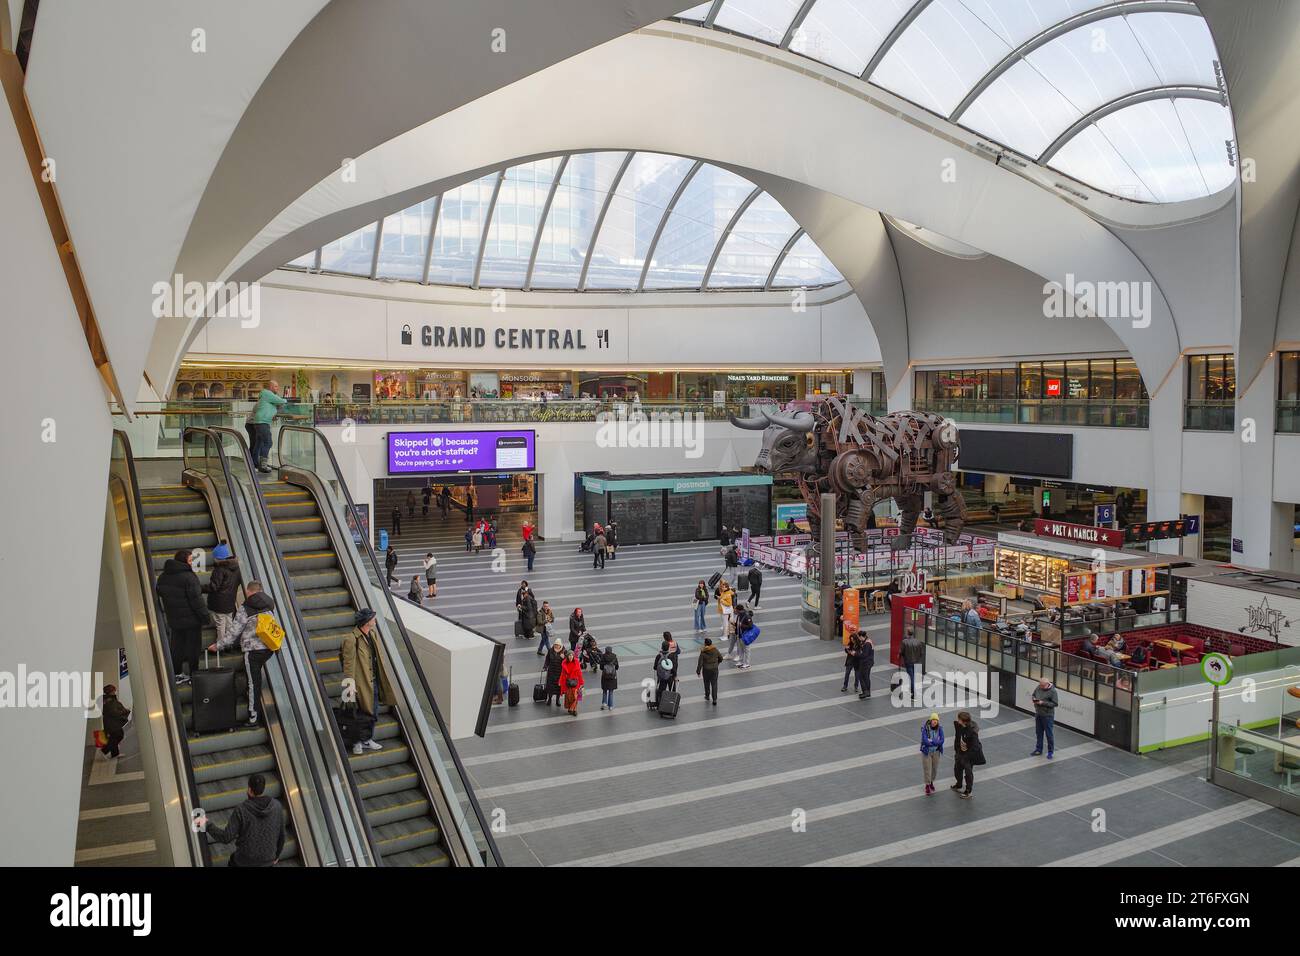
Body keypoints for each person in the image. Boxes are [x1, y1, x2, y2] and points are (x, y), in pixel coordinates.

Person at [209, 579, 279, 725]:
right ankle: (249, 694)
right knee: (254, 678)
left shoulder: (246, 607)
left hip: (253, 650)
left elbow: (234, 632)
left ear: (248, 591)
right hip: (269, 647)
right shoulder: (270, 602)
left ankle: (253, 716)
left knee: (254, 682)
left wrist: (218, 645)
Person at [200, 773, 285, 867]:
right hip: (267, 862)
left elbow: (226, 837)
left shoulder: (241, 810)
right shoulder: (277, 806)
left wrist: (207, 824)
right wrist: (276, 856)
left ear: (249, 789)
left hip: (244, 862)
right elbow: (282, 836)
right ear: (263, 788)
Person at [340, 608, 393, 754]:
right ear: (366, 621)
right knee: (358, 713)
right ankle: (356, 741)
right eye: (373, 618)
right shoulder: (351, 639)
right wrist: (350, 686)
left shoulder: (373, 634)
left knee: (372, 712)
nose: (375, 620)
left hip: (374, 681)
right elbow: (348, 664)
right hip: (360, 683)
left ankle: (367, 739)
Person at [156, 549, 210, 684]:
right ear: (184, 561)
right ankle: (193, 675)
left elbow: (161, 592)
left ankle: (177, 674)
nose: (192, 562)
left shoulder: (163, 576)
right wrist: (205, 617)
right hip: (192, 621)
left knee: (177, 647)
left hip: (174, 620)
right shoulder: (189, 577)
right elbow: (197, 601)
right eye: (190, 560)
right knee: (193, 649)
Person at [202, 542, 242, 652]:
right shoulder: (236, 568)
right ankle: (229, 644)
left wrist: (200, 588)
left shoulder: (219, 570)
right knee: (229, 622)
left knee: (220, 624)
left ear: (218, 558)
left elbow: (214, 587)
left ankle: (220, 646)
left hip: (218, 602)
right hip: (230, 601)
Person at [249, 380, 286, 472]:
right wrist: (285, 400)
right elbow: (281, 401)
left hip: (260, 421)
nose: (278, 388)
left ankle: (254, 464)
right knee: (268, 443)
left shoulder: (266, 395)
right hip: (262, 422)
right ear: (271, 387)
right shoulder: (267, 393)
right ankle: (263, 465)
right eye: (276, 386)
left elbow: (275, 403)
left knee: (259, 443)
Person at [951, 711, 982, 799]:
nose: (957, 720)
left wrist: (968, 756)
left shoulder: (972, 732)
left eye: (959, 719)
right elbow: (957, 737)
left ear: (963, 721)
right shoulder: (960, 726)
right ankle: (959, 784)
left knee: (968, 773)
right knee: (957, 770)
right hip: (959, 753)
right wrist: (957, 750)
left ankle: (968, 791)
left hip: (967, 756)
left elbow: (976, 746)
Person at [98, 684, 130, 759]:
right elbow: (114, 712)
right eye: (114, 690)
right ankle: (104, 750)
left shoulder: (107, 699)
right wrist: (124, 711)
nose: (115, 691)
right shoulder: (110, 701)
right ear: (111, 691)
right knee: (119, 735)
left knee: (114, 737)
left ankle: (115, 754)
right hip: (112, 722)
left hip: (110, 722)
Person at [1030, 677, 1058, 759]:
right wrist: (1034, 699)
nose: (1040, 687)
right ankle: (1038, 749)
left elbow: (1055, 704)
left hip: (1047, 716)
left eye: (1042, 685)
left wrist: (1043, 703)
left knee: (1049, 734)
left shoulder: (1053, 691)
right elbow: (1033, 694)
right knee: (1039, 733)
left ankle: (1050, 752)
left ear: (1047, 684)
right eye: (1040, 685)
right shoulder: (1038, 687)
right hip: (1038, 714)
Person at [920, 712, 945, 795]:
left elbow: (942, 740)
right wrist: (935, 742)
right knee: (927, 769)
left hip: (936, 752)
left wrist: (932, 741)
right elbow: (924, 740)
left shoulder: (940, 728)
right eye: (933, 720)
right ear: (930, 720)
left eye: (936, 720)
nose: (935, 721)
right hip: (927, 752)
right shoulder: (925, 728)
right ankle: (927, 785)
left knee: (934, 769)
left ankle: (931, 782)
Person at [900, 626, 925, 699]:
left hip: (908, 662)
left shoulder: (904, 642)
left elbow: (901, 652)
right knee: (913, 676)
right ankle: (913, 690)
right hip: (916, 661)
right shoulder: (918, 642)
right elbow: (921, 653)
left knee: (911, 677)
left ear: (908, 633)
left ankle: (913, 692)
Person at [652, 638, 678, 710]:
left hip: (662, 677)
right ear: (668, 647)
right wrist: (675, 675)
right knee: (672, 689)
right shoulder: (672, 655)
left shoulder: (658, 656)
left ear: (662, 647)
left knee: (661, 690)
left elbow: (654, 667)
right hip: (670, 676)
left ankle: (659, 704)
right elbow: (674, 667)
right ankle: (672, 704)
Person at [697, 637, 722, 705]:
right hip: (714, 669)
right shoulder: (715, 650)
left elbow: (700, 663)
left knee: (706, 683)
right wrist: (717, 664)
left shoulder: (703, 652)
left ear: (705, 644)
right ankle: (714, 699)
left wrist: (698, 671)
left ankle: (707, 696)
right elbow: (721, 658)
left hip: (706, 670)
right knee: (714, 684)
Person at [559, 649, 584, 716]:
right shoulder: (564, 664)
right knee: (569, 697)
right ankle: (570, 708)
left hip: (576, 683)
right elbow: (562, 674)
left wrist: (582, 683)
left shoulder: (576, 663)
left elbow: (579, 673)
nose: (571, 656)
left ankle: (574, 709)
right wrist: (560, 682)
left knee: (575, 697)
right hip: (568, 683)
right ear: (567, 656)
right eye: (569, 655)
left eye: (572, 655)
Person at [841, 629, 864, 694]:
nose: (852, 641)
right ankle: (845, 686)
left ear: (855, 639)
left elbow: (860, 653)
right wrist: (847, 649)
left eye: (853, 639)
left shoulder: (859, 644)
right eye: (851, 639)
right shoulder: (850, 643)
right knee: (847, 674)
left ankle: (856, 686)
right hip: (850, 661)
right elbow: (846, 650)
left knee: (857, 675)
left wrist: (855, 653)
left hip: (857, 662)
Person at [544, 641, 565, 707]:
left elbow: (568, 661)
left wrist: (564, 658)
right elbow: (547, 659)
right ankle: (549, 699)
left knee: (558, 687)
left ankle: (557, 700)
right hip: (551, 672)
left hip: (559, 673)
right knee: (550, 687)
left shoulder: (564, 652)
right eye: (555, 644)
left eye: (558, 645)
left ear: (560, 645)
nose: (556, 646)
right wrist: (545, 666)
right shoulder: (550, 650)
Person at [599, 644, 619, 710]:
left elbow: (601, 667)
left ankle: (604, 703)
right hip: (612, 676)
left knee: (605, 690)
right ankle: (610, 706)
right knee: (611, 691)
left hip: (605, 676)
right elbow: (617, 666)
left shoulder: (603, 656)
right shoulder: (614, 656)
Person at [857, 633, 875, 699]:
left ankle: (866, 692)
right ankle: (867, 692)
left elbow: (864, 654)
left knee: (863, 677)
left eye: (859, 637)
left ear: (862, 636)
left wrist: (856, 654)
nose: (859, 638)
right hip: (868, 662)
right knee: (865, 676)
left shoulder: (867, 644)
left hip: (866, 663)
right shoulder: (867, 641)